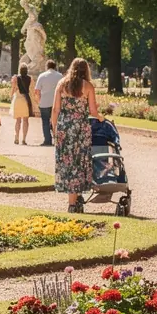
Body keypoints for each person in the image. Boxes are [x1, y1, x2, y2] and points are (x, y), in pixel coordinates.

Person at [53, 57, 100, 211]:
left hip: (64, 126)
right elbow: (93, 111)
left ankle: (75, 198)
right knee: (79, 161)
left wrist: (54, 129)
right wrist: (101, 117)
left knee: (68, 161)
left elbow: (55, 109)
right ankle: (72, 203)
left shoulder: (61, 84)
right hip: (80, 127)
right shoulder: (88, 86)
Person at [35, 60, 63, 147]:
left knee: (45, 122)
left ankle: (47, 140)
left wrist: (39, 101)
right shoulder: (60, 76)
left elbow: (37, 91)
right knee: (57, 121)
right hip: (57, 102)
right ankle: (57, 139)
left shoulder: (42, 76)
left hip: (44, 102)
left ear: (47, 66)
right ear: (55, 66)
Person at [10, 64, 34, 145]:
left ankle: (16, 137)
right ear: (27, 70)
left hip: (18, 100)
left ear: (20, 70)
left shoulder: (16, 78)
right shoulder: (30, 78)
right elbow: (32, 90)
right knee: (26, 120)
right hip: (26, 100)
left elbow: (13, 89)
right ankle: (24, 139)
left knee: (18, 120)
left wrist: (11, 96)